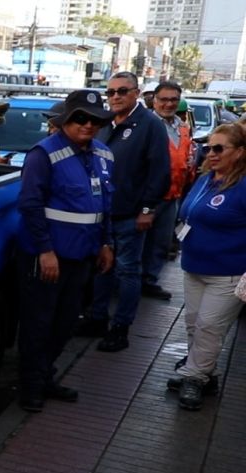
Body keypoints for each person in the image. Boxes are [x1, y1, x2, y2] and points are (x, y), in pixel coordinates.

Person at [14, 89, 116, 412]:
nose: (88, 125)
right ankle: (31, 386)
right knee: (38, 324)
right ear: (66, 120)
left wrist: (106, 243)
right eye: (80, 118)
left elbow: (105, 204)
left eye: (95, 120)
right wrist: (45, 251)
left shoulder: (104, 155)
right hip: (48, 258)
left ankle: (45, 376)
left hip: (82, 256)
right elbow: (30, 205)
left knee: (65, 323)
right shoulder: (43, 154)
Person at [77, 71, 171, 352]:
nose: (115, 97)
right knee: (103, 267)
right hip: (103, 213)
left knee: (128, 271)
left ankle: (120, 328)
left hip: (131, 214)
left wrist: (148, 209)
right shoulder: (105, 122)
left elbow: (160, 171)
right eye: (110, 92)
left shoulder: (150, 125)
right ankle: (97, 318)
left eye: (122, 91)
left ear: (136, 93)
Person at [169, 123, 246, 410]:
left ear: (239, 152)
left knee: (209, 327)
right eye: (208, 148)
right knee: (194, 324)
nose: (211, 153)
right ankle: (205, 372)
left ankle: (194, 377)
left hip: (228, 273)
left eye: (219, 148)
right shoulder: (205, 180)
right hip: (194, 267)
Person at [141, 81, 195, 300]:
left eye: (174, 100)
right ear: (154, 101)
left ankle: (149, 281)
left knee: (161, 242)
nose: (169, 104)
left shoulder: (183, 128)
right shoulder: (145, 125)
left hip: (173, 195)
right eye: (164, 99)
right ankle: (129, 282)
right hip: (148, 196)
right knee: (140, 242)